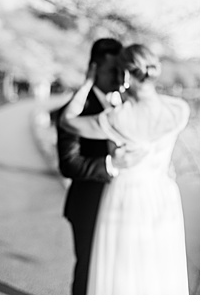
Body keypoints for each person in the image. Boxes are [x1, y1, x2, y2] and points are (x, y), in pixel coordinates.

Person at [59, 44, 190, 294]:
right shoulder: (179, 110)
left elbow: (67, 121)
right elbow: (69, 163)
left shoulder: (119, 118)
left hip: (125, 198)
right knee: (156, 271)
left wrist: (86, 82)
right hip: (162, 195)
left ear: (127, 76)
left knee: (120, 273)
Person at [52, 38, 125, 294]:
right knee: (88, 273)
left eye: (121, 70)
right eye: (111, 70)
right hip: (88, 206)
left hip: (125, 207)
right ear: (93, 68)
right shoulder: (73, 111)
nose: (117, 77)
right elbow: (69, 164)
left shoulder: (128, 107)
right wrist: (111, 167)